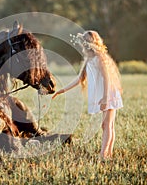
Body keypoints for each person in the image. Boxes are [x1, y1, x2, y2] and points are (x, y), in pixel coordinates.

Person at [52, 30, 123, 159]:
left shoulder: (100, 58)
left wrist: (106, 97)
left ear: (92, 43)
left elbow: (107, 78)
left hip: (109, 94)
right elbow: (79, 79)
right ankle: (108, 154)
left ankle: (104, 154)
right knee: (107, 125)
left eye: (86, 42)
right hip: (104, 95)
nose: (84, 45)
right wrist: (62, 90)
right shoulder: (88, 60)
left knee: (107, 125)